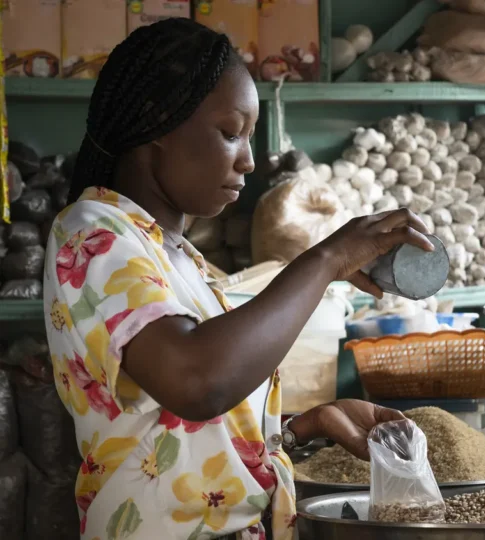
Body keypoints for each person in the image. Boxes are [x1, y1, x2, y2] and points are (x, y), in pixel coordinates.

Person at [43, 18, 434, 540]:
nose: (248, 160)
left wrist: (301, 428)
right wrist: (324, 260)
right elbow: (196, 382)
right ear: (157, 122)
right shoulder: (92, 233)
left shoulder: (179, 258)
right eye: (231, 133)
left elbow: (184, 430)